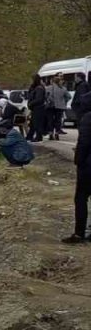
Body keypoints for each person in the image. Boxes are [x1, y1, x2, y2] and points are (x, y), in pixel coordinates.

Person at [67, 103, 91, 244]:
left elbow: (84, 142)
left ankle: (79, 233)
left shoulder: (88, 118)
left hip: (88, 166)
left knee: (81, 198)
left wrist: (78, 160)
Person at [27, 74, 48, 142]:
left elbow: (39, 99)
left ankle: (39, 137)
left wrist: (31, 103)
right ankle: (29, 136)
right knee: (32, 123)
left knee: (37, 123)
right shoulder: (35, 88)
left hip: (39, 108)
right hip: (35, 108)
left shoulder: (39, 88)